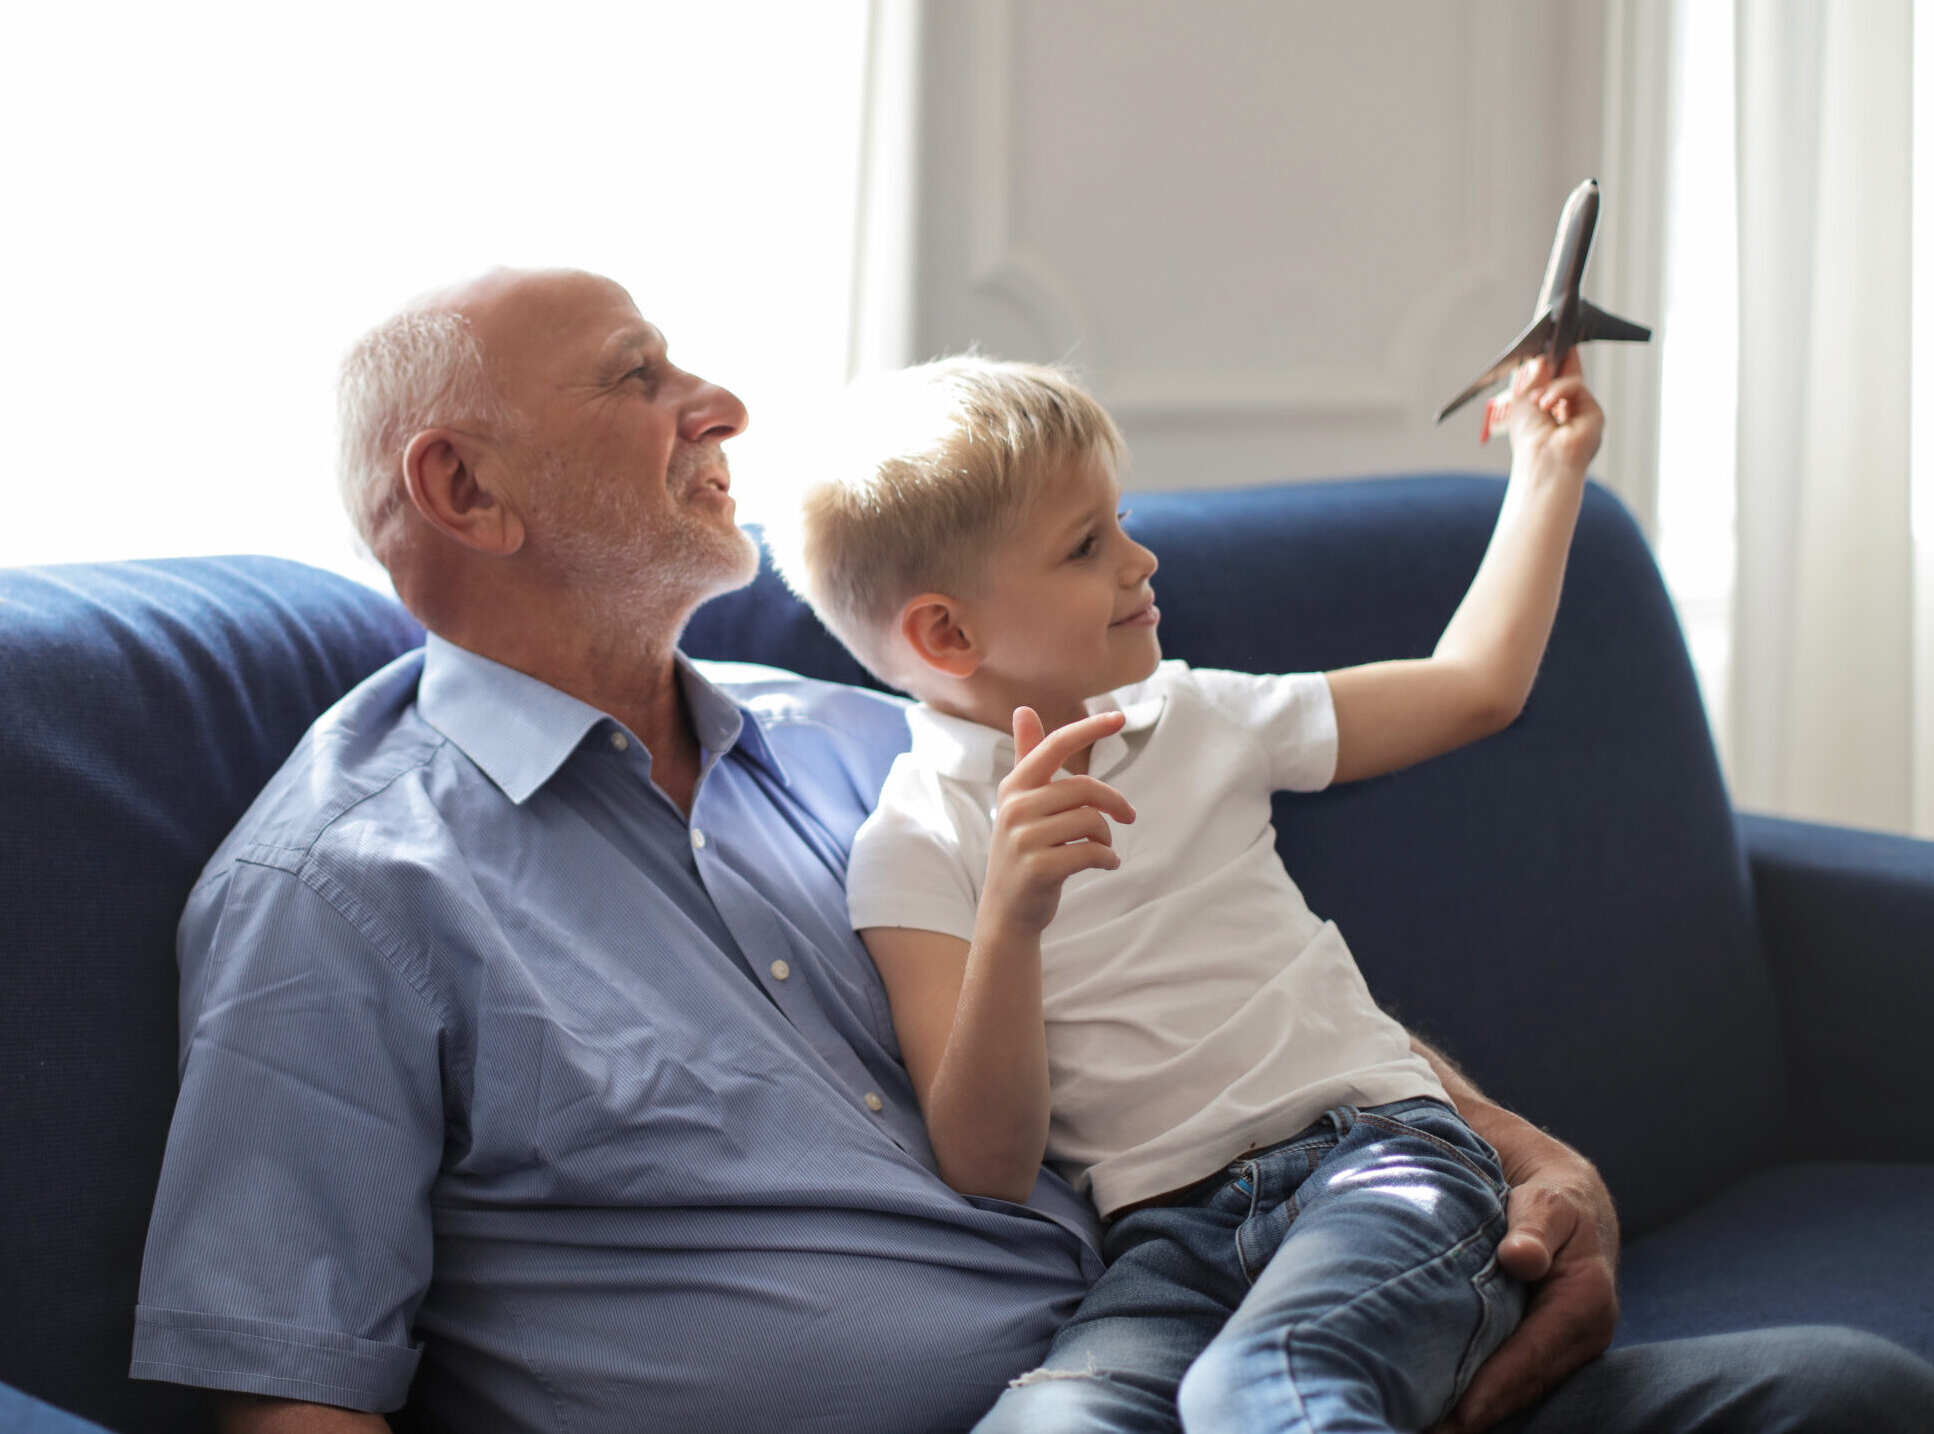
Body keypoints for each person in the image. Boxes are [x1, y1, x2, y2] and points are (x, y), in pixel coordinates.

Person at [130, 267, 1934, 1434]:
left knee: (1839, 1395)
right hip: (1121, 1376)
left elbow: (1203, 973)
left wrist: (1528, 1157)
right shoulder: (349, 887)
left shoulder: (871, 739)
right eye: (638, 379)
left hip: (1236, 1314)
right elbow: (286, 1396)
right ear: (465, 492)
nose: (720, 406)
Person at [777, 353, 1603, 1430]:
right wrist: (1013, 918)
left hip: (1382, 1162)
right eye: (1087, 546)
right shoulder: (912, 842)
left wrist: (1549, 467)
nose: (1140, 558)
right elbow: (986, 1161)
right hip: (1167, 1241)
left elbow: (1473, 688)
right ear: (947, 634)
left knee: (1261, 1390)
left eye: (1118, 522)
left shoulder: (1200, 715)